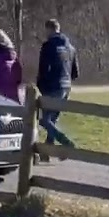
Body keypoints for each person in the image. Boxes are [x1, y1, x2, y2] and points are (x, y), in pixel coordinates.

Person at [35, 18, 78, 152]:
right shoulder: (71, 48)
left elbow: (43, 69)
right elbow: (75, 72)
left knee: (44, 120)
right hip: (66, 87)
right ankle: (47, 151)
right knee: (52, 120)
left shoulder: (48, 46)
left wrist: (41, 86)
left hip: (52, 87)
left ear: (49, 29)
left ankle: (66, 142)